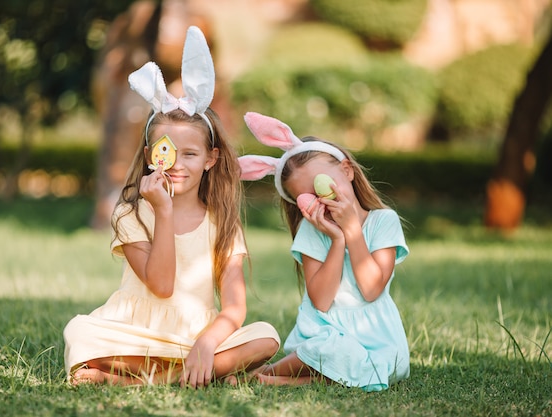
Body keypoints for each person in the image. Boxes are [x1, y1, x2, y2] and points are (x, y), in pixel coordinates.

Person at [63, 27, 280, 388]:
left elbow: (234, 308)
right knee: (80, 332)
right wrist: (162, 211)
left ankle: (149, 378)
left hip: (197, 337)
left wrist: (206, 343)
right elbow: (161, 286)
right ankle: (184, 375)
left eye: (191, 154)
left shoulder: (222, 222)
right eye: (168, 152)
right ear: (150, 157)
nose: (177, 164)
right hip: (137, 334)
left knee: (266, 336)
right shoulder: (131, 214)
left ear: (211, 159)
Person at [238, 112, 409, 391]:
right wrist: (337, 240)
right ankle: (275, 375)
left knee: (369, 360)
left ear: (347, 171)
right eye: (308, 199)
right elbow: (321, 301)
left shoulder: (383, 221)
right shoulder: (312, 230)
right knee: (330, 349)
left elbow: (371, 289)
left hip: (377, 339)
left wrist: (352, 231)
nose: (321, 202)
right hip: (325, 333)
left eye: (322, 186)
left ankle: (276, 377)